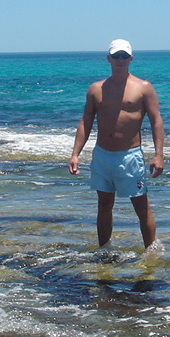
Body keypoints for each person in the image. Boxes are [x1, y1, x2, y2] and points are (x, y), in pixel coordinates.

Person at [68, 39, 164, 249]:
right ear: (108, 58)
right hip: (102, 155)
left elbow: (156, 121)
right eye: (116, 56)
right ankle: (104, 250)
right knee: (104, 205)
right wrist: (75, 154)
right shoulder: (96, 89)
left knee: (141, 206)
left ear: (131, 59)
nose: (120, 60)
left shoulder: (143, 87)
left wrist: (158, 155)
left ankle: (151, 253)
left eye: (124, 56)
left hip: (130, 157)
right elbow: (86, 121)